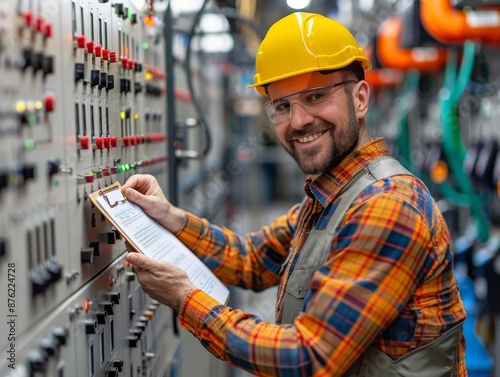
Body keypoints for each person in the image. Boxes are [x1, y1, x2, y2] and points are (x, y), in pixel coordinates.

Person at [123, 12, 467, 377]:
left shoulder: (386, 204)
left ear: (361, 98)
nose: (299, 121)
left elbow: (308, 357)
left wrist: (184, 298)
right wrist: (172, 219)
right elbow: (252, 259)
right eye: (283, 107)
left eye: (316, 96)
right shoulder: (331, 195)